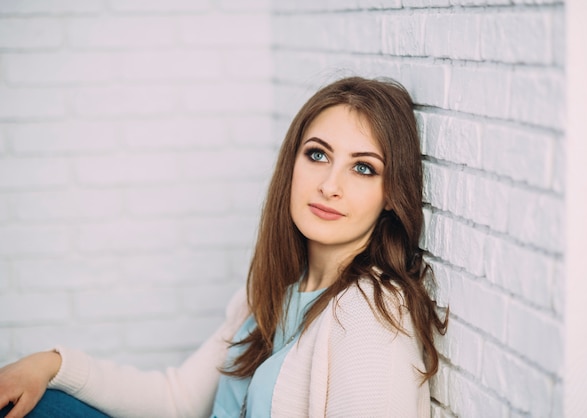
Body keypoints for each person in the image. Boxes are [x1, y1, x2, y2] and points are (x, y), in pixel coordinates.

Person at [0, 76, 448, 418]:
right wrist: (52, 364)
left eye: (363, 168)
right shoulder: (272, 293)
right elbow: (178, 399)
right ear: (291, 163)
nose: (330, 185)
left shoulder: (368, 313)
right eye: (317, 155)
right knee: (39, 401)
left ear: (392, 194)